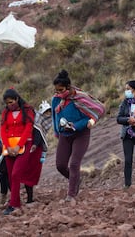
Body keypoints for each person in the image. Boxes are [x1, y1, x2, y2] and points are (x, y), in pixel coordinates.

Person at [51, 69, 95, 202]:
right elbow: (55, 116)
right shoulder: (56, 100)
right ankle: (75, 179)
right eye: (56, 90)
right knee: (60, 165)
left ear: (68, 87)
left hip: (81, 134)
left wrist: (75, 125)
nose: (58, 93)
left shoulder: (79, 99)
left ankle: (71, 195)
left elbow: (88, 117)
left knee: (75, 163)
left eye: (61, 90)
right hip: (64, 135)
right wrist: (57, 131)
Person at [0, 89, 35, 215]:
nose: (10, 105)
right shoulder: (5, 113)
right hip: (9, 147)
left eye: (11, 102)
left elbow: (28, 129)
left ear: (17, 99)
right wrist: (8, 146)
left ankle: (13, 204)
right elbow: (3, 129)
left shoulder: (28, 110)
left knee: (16, 174)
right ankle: (16, 201)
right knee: (10, 176)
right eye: (7, 103)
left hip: (24, 145)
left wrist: (19, 145)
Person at [21, 100, 53, 203]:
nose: (47, 114)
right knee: (26, 173)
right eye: (46, 112)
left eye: (49, 111)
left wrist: (35, 144)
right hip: (29, 148)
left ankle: (29, 198)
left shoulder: (47, 120)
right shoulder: (36, 118)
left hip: (36, 150)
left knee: (31, 174)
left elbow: (40, 134)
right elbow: (36, 132)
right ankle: (24, 198)